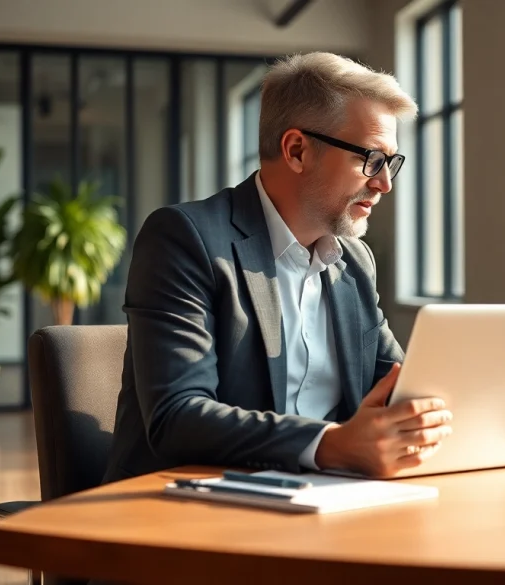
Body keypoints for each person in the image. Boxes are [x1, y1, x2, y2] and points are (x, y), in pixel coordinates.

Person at [103, 52, 452, 483]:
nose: (384, 183)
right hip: (189, 508)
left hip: (327, 498)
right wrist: (330, 445)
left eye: (391, 163)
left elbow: (398, 386)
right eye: (372, 159)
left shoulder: (354, 263)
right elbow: (178, 416)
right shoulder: (185, 238)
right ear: (297, 150)